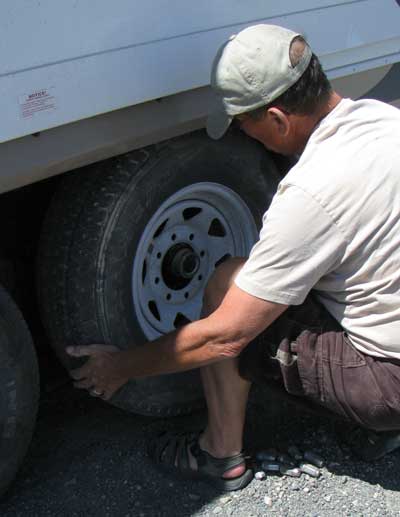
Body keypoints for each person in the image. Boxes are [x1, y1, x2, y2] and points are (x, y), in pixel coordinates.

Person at [66, 24, 400, 491]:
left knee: (228, 284)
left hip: (388, 384)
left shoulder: (310, 192)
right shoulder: (385, 121)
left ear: (279, 119)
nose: (244, 134)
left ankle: (218, 454)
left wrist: (119, 367)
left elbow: (222, 338)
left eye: (245, 122)